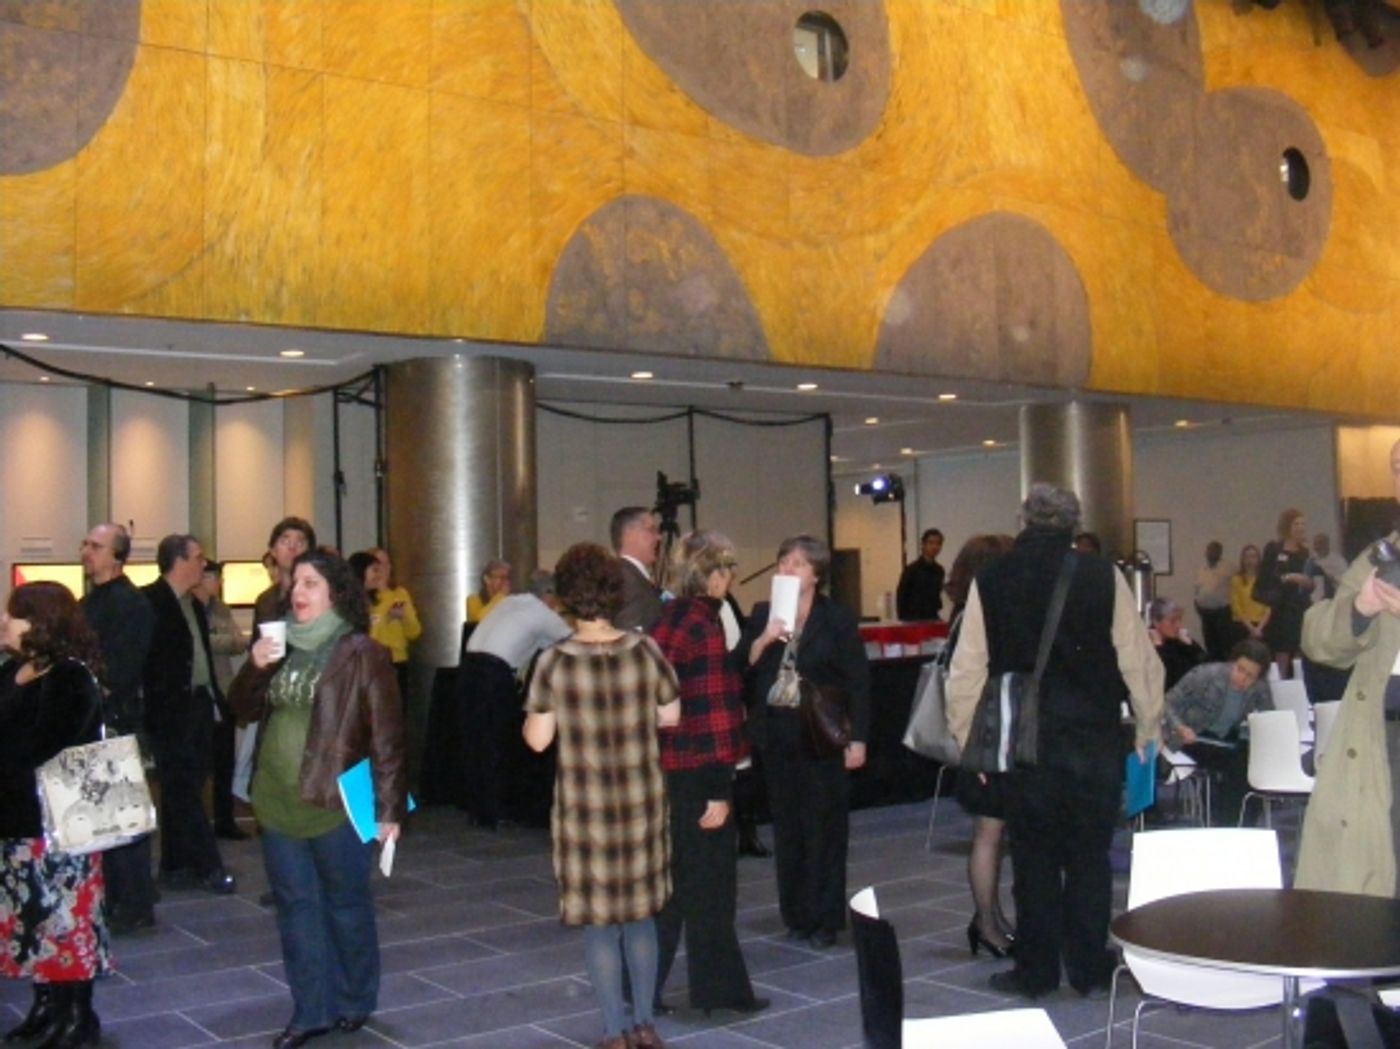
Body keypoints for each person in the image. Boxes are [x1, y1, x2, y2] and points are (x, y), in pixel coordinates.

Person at [946, 484, 1162, 999]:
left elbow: (966, 669)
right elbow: (1138, 659)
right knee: (1090, 856)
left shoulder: (991, 578)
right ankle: (1089, 965)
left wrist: (968, 740)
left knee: (1033, 859)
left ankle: (1036, 970)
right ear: (1073, 524)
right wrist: (1148, 727)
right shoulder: (1101, 575)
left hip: (1026, 743)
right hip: (1092, 737)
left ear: (1023, 520)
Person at [228, 548, 406, 1049]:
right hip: (276, 800)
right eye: (295, 583)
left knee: (346, 905)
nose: (298, 592)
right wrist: (255, 666)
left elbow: (388, 735)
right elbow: (240, 708)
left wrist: (389, 809)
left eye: (310, 583)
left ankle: (354, 997)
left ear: (335, 593)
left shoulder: (360, 652)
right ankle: (310, 1010)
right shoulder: (278, 644)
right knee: (296, 908)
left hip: (336, 801)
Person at [523, 543, 680, 1049]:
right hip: (640, 802)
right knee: (640, 917)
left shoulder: (553, 661)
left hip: (585, 810)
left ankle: (613, 1033)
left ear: (567, 595)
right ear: (615, 591)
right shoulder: (645, 650)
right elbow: (671, 715)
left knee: (599, 925)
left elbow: (538, 740)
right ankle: (645, 1025)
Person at [649, 531, 767, 1015]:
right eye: (728, 569)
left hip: (667, 770)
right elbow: (717, 711)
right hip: (701, 771)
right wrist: (721, 788)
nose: (732, 578)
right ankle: (719, 992)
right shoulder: (706, 622)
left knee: (672, 891)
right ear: (713, 575)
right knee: (713, 891)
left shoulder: (668, 617)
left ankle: (644, 989)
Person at [737, 534, 870, 949]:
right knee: (788, 827)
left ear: (816, 574)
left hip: (821, 734)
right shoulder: (763, 613)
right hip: (777, 735)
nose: (787, 569)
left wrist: (858, 738)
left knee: (825, 827)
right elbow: (738, 667)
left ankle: (826, 916)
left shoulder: (836, 618)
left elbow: (858, 681)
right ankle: (796, 913)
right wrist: (764, 639)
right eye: (783, 561)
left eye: (797, 563)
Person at [0, 582, 111, 1048]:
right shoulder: (13, 669)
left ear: (40, 622)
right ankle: (45, 1007)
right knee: (33, 921)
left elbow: (46, 746)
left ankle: (77, 1016)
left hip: (58, 823)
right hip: (17, 821)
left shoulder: (68, 676)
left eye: (14, 615)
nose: (4, 622)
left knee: (65, 921)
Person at [1296, 437, 1400, 897]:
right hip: (1384, 738)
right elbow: (1318, 640)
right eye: (1397, 466)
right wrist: (1359, 608)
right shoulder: (1383, 556)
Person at [142, 534, 234, 895]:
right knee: (182, 786)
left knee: (187, 784)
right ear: (178, 561)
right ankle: (209, 865)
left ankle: (174, 864)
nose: (203, 564)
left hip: (198, 704)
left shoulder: (193, 604)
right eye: (198, 557)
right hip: (168, 709)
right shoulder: (150, 602)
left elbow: (201, 657)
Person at [77, 522, 158, 934]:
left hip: (116, 720)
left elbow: (121, 670)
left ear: (117, 555)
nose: (86, 551)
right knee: (100, 817)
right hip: (93, 719)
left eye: (96, 546)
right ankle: (112, 898)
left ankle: (133, 903)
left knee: (122, 818)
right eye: (86, 544)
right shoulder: (88, 602)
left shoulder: (131, 604)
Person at [943, 533, 1017, 960]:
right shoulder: (979, 614)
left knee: (992, 833)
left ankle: (991, 916)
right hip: (986, 738)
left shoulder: (966, 613)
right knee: (989, 834)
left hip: (986, 735)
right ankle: (986, 922)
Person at [459, 570, 571, 827]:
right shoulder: (542, 613)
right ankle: (498, 809)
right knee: (498, 742)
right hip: (494, 673)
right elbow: (571, 641)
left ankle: (478, 809)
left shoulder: (510, 602)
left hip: (468, 668)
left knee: (476, 742)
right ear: (549, 594)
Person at [1162, 638, 1274, 825]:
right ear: (1232, 663)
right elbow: (1168, 702)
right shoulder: (1205, 675)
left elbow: (1269, 718)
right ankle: (1228, 822)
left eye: (1250, 676)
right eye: (1240, 669)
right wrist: (1180, 726)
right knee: (1234, 766)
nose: (1242, 679)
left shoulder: (1260, 688)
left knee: (1251, 762)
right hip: (1193, 735)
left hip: (1226, 739)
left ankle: (1244, 821)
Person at [194, 559, 249, 841]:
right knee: (200, 763)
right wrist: (216, 638)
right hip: (200, 692)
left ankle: (225, 820)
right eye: (214, 577)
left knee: (225, 759)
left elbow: (238, 641)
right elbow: (199, 643)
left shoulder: (221, 609)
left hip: (224, 690)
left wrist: (214, 638)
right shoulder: (188, 608)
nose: (218, 583)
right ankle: (199, 823)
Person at [350, 548, 421, 701]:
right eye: (377, 565)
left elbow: (415, 632)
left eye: (387, 563)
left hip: (396, 660)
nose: (383, 569)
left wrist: (403, 618)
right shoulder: (362, 598)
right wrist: (383, 621)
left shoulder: (399, 594)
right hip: (370, 662)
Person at [1255, 508, 1315, 678]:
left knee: (1301, 646)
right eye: (1296, 523)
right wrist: (1288, 577)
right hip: (1281, 606)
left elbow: (1311, 583)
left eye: (1303, 524)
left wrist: (1304, 580)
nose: (1300, 527)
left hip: (1300, 604)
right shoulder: (1274, 549)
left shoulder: (1305, 552)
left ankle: (1300, 681)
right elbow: (1265, 577)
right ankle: (1282, 681)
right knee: (1282, 648)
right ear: (1287, 526)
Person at [254, 517, 317, 632]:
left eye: (300, 542)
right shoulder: (265, 601)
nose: (292, 547)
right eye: (285, 542)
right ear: (273, 551)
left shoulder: (318, 596)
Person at [611, 507, 664, 632]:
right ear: (629, 534)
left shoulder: (627, 575)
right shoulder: (627, 581)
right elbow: (629, 636)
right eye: (651, 530)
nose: (659, 537)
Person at [1148, 597, 1207, 690]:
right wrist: (1160, 649)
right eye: (1173, 621)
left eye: (1179, 620)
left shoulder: (1179, 642)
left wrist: (1190, 645)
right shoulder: (1148, 646)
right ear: (1156, 622)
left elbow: (1205, 666)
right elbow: (1165, 677)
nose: (1178, 625)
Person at [1193, 540, 1235, 660]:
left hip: (1222, 613)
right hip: (1205, 613)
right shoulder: (1201, 569)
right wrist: (1197, 604)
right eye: (1209, 550)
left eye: (1215, 550)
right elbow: (1197, 590)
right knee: (1210, 645)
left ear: (1220, 552)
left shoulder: (1229, 568)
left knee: (1223, 646)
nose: (1211, 552)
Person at [895, 527, 945, 621]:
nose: (934, 547)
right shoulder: (911, 569)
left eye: (938, 543)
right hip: (912, 618)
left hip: (932, 617)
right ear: (923, 545)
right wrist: (903, 619)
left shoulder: (939, 571)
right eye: (931, 543)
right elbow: (901, 596)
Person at [1230, 543, 1271, 646]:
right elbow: (1236, 606)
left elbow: (1268, 607)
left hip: (1261, 624)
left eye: (1253, 556)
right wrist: (1251, 628)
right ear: (1242, 559)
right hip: (1242, 624)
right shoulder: (1236, 579)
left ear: (1258, 559)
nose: (1250, 560)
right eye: (1247, 556)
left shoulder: (1265, 580)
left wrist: (1259, 628)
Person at [466, 559, 512, 623]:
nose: (506, 582)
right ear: (487, 579)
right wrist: (501, 595)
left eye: (508, 578)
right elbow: (479, 621)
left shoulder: (511, 599)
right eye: (502, 577)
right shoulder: (474, 599)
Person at [1307, 531, 1347, 602]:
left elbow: (1346, 580)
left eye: (1320, 543)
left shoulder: (1338, 560)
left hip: (1334, 598)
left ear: (1327, 544)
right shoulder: (1311, 561)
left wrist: (1331, 577)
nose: (1318, 546)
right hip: (1315, 600)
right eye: (1315, 544)